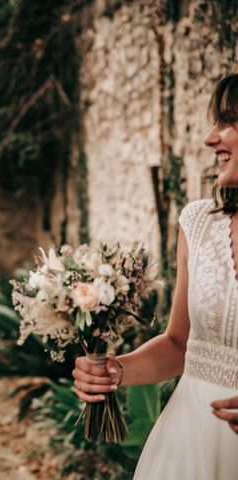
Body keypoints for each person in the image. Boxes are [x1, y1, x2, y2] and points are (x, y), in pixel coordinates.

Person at [72, 74, 238, 479]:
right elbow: (180, 344)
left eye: (228, 121)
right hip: (190, 442)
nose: (210, 138)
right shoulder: (199, 224)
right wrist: (113, 372)